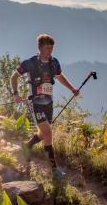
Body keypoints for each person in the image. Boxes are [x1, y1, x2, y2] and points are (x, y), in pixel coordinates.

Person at [10, 33, 79, 178]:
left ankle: (27, 146)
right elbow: (14, 77)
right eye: (47, 48)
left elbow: (60, 76)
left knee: (43, 133)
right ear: (40, 48)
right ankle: (54, 169)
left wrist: (72, 88)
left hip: (49, 102)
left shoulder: (54, 62)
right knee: (48, 133)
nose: (50, 51)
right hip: (35, 103)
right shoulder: (29, 63)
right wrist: (15, 94)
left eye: (51, 48)